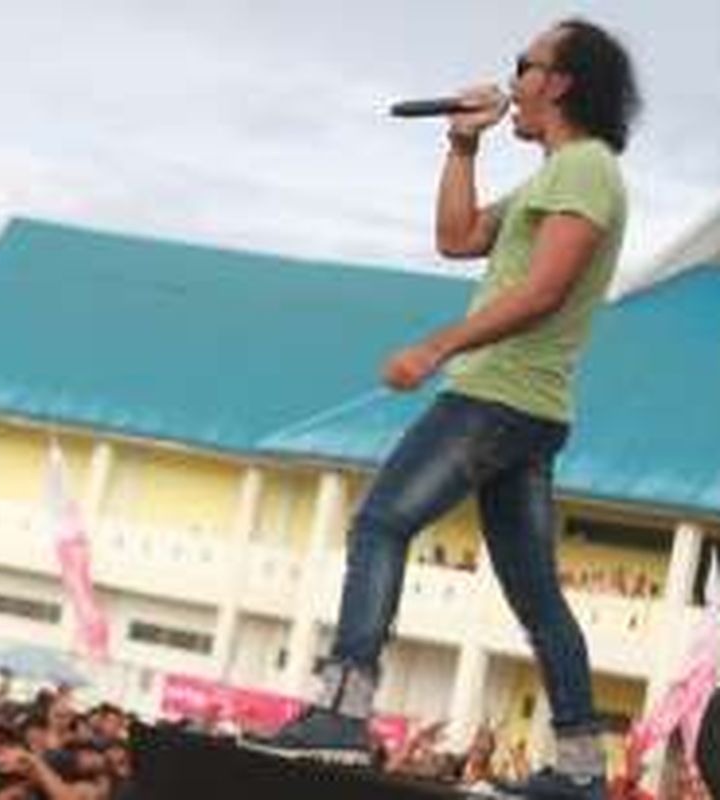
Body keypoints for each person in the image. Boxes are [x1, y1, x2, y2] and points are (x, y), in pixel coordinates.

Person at [244, 18, 640, 800]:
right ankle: (583, 767)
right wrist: (462, 147)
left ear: (557, 83)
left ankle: (344, 714)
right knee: (533, 591)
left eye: (523, 64)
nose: (513, 78)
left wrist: (437, 346)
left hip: (498, 394)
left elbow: (544, 290)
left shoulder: (587, 171)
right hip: (525, 403)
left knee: (380, 523)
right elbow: (457, 239)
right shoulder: (553, 176)